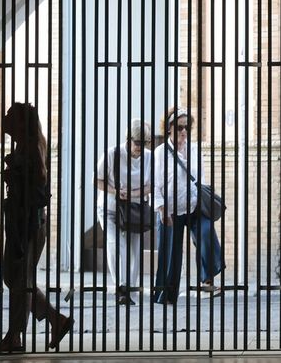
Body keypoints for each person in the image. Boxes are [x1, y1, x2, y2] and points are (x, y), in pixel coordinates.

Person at [0, 102, 72, 353]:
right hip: (21, 220)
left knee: (20, 281)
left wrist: (14, 175)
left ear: (22, 123)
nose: (5, 119)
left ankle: (14, 337)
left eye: (10, 116)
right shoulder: (25, 145)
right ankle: (55, 319)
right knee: (14, 278)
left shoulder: (32, 148)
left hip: (28, 222)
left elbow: (37, 185)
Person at [151, 107, 226, 304]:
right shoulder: (160, 153)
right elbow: (155, 184)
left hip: (194, 205)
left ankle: (206, 281)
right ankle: (166, 295)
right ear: (169, 128)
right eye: (179, 127)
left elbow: (200, 178)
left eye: (187, 127)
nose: (184, 131)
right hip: (170, 209)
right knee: (171, 254)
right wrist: (161, 209)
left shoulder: (194, 149)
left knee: (206, 232)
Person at [95, 118, 155, 306]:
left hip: (135, 210)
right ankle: (120, 287)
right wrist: (116, 192)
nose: (141, 147)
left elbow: (152, 185)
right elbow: (97, 180)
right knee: (115, 244)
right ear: (128, 140)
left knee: (135, 249)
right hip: (110, 208)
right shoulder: (112, 154)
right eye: (138, 143)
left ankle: (130, 288)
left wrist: (133, 194)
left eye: (145, 143)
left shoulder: (149, 157)